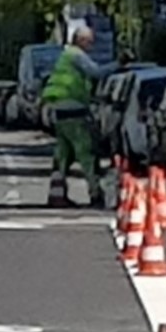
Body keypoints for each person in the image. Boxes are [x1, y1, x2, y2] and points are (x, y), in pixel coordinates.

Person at [41, 25, 104, 209]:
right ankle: (96, 194)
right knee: (86, 152)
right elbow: (96, 72)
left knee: (63, 154)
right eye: (90, 41)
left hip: (59, 110)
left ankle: (56, 195)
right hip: (74, 109)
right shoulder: (76, 55)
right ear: (81, 40)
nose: (91, 45)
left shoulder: (65, 56)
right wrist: (119, 64)